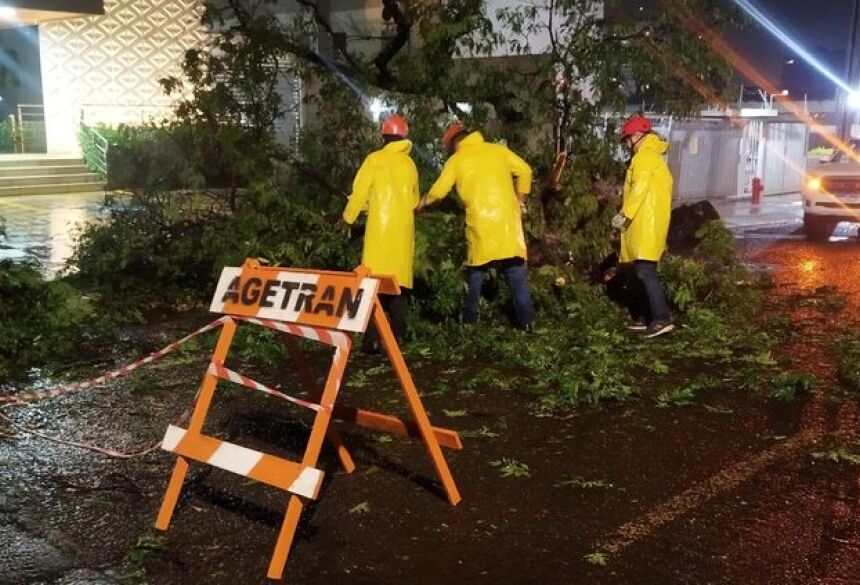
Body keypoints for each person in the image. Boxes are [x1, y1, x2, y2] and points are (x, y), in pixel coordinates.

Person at [419, 122, 535, 330]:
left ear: (454, 143)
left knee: (475, 272)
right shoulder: (498, 151)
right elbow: (525, 171)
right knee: (516, 272)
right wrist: (519, 200)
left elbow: (438, 191)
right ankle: (527, 323)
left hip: (480, 223)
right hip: (508, 224)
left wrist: (421, 203)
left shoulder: (456, 160)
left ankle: (470, 323)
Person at [343, 113, 419, 352]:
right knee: (399, 288)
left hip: (379, 232)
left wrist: (348, 217)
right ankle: (396, 341)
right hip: (403, 234)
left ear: (384, 137)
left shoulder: (374, 160)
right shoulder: (410, 165)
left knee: (372, 287)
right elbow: (414, 201)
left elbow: (360, 192)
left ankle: (372, 341)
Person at [612, 114, 674, 338]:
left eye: (627, 139)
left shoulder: (644, 158)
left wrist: (624, 214)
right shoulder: (652, 156)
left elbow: (640, 188)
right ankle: (643, 316)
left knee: (645, 271)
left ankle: (660, 318)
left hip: (645, 223)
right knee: (639, 271)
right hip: (647, 222)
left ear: (637, 136)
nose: (627, 144)